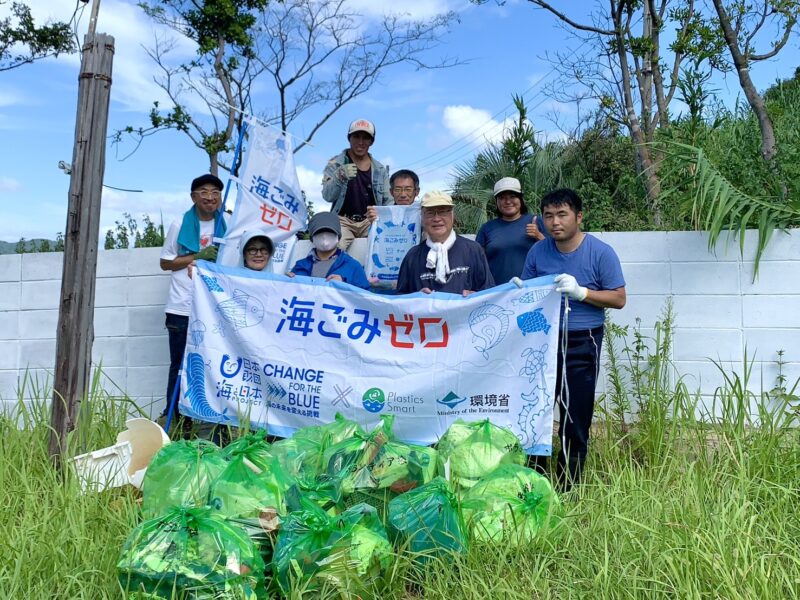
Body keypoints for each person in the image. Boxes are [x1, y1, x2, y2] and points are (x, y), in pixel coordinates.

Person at [521, 188, 626, 491]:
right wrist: (518, 292)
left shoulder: (600, 252)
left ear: (579, 217)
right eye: (549, 215)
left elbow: (619, 298)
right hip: (543, 341)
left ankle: (569, 486)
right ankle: (534, 483)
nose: (555, 222)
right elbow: (529, 294)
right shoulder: (538, 252)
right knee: (537, 410)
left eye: (562, 214)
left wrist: (583, 293)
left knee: (575, 415)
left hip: (583, 340)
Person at [159, 173, 228, 423]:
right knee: (179, 366)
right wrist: (198, 256)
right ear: (193, 197)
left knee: (213, 365)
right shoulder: (180, 223)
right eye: (204, 192)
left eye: (215, 192)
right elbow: (165, 263)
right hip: (182, 308)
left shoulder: (228, 223)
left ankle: (213, 420)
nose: (210, 197)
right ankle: (174, 420)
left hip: (215, 307)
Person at [396, 191, 494, 296]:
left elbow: (489, 293)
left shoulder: (473, 250)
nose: (437, 219)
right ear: (422, 218)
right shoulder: (412, 256)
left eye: (443, 212)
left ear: (452, 216)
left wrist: (475, 296)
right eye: (430, 213)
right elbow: (400, 300)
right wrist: (415, 298)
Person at [321, 118, 392, 249]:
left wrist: (382, 216)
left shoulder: (380, 169)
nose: (360, 142)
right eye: (356, 136)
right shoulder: (335, 163)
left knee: (383, 246)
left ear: (371, 141)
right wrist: (339, 176)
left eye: (365, 138)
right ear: (349, 138)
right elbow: (327, 196)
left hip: (370, 221)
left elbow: (389, 201)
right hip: (343, 221)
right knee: (333, 248)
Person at [476, 176, 546, 284]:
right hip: (497, 292)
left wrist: (538, 235)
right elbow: (477, 260)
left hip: (531, 291)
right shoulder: (487, 228)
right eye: (502, 198)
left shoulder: (535, 221)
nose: (508, 201)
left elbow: (554, 252)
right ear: (496, 202)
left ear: (521, 199)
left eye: (512, 196)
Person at [288, 211, 370, 289]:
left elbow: (365, 296)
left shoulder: (353, 266)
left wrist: (345, 285)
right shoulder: (300, 265)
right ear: (312, 238)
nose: (324, 236)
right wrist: (287, 282)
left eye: (330, 232)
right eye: (319, 232)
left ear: (338, 236)